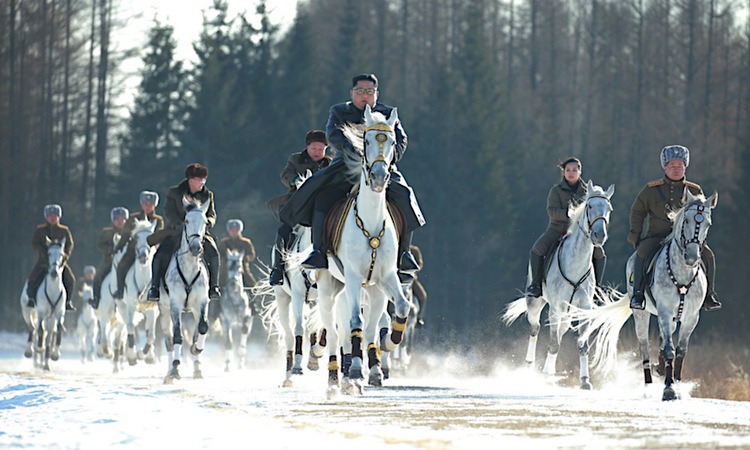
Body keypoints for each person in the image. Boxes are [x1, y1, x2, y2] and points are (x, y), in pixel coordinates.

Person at [279, 73, 426, 282]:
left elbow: (401, 139)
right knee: (321, 196)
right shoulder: (339, 111)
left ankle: (404, 255)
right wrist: (357, 152)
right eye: (360, 91)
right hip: (345, 167)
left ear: (376, 94)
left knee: (404, 195)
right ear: (352, 93)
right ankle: (318, 251)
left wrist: (388, 158)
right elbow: (333, 136)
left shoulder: (387, 113)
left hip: (381, 166)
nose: (365, 95)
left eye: (369, 91)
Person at [628, 145, 721, 311]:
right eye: (672, 165)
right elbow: (637, 211)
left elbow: (702, 216)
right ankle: (638, 294)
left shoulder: (694, 190)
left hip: (687, 239)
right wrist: (635, 234)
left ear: (685, 167)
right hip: (657, 236)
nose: (676, 169)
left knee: (708, 255)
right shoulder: (651, 189)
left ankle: (709, 295)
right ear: (665, 167)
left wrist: (700, 238)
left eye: (680, 165)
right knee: (641, 253)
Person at [525, 157, 607, 297]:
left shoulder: (587, 192)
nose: (571, 173)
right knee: (537, 249)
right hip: (557, 229)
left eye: (574, 170)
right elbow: (551, 211)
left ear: (580, 172)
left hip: (580, 231)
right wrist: (567, 214)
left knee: (599, 253)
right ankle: (536, 284)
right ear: (563, 172)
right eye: (568, 170)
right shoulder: (556, 190)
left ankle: (596, 289)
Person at [146, 163, 220, 302]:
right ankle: (154, 288)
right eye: (199, 179)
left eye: (204, 179)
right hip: (177, 231)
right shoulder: (174, 192)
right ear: (190, 180)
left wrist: (208, 222)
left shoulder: (208, 195)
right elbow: (168, 211)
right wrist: (178, 224)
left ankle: (213, 287)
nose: (202, 182)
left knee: (214, 252)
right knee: (160, 254)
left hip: (198, 232)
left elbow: (212, 214)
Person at [267, 129, 332, 285]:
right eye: (314, 148)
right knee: (284, 231)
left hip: (322, 206)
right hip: (298, 204)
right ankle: (278, 269)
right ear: (307, 147)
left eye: (321, 149)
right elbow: (285, 175)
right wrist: (295, 180)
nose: (317, 152)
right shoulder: (296, 159)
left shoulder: (330, 163)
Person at [110, 191, 165, 302]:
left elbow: (159, 235)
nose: (147, 206)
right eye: (145, 204)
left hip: (151, 250)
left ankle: (162, 292)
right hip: (133, 251)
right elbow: (125, 235)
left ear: (154, 205)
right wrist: (118, 247)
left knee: (163, 267)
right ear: (141, 204)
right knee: (121, 266)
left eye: (150, 204)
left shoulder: (158, 220)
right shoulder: (132, 218)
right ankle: (121, 291)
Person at [26, 204, 77, 311]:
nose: (52, 218)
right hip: (43, 261)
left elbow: (70, 244)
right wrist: (42, 253)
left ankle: (68, 301)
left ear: (59, 217)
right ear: (46, 217)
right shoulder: (40, 230)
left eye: (55, 216)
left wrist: (65, 256)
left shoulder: (65, 230)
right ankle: (31, 299)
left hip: (59, 261)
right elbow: (35, 243)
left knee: (70, 279)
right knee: (32, 277)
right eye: (50, 216)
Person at [90, 207, 129, 308]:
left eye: (122, 219)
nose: (120, 222)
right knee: (98, 276)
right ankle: (96, 299)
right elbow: (100, 245)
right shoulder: (106, 232)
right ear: (113, 220)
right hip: (109, 260)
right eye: (117, 219)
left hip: (126, 260)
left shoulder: (129, 232)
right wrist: (110, 250)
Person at [219, 219, 258, 289]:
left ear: (240, 230)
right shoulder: (224, 243)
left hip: (242, 266)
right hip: (226, 267)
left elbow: (252, 254)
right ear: (229, 231)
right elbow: (220, 254)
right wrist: (225, 259)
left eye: (236, 230)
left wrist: (246, 258)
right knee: (220, 281)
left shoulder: (246, 242)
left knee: (250, 281)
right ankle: (218, 292)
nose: (234, 232)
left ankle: (253, 292)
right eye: (232, 230)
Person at [409, 244, 428, 327]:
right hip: (397, 277)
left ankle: (419, 317)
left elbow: (420, 263)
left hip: (411, 279)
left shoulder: (414, 250)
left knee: (422, 296)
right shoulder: (397, 248)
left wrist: (414, 269)